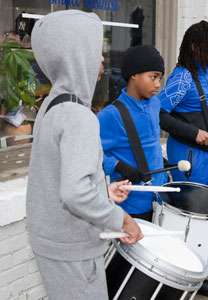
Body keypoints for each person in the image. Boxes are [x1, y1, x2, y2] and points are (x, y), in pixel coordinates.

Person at [26, 10, 142, 300]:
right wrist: (123, 220)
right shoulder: (78, 116)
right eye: (96, 50)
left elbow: (58, 178)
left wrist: (102, 191)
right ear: (75, 55)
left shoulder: (52, 106)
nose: (102, 58)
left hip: (53, 243)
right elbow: (75, 194)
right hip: (72, 248)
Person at [158, 20, 208, 299]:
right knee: (190, 216)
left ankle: (196, 272)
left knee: (203, 216)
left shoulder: (206, 74)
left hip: (204, 153)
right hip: (187, 154)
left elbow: (200, 108)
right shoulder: (182, 76)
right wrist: (194, 132)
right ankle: (187, 275)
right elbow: (160, 113)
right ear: (194, 46)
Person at [98, 45, 166, 222]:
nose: (158, 84)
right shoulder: (110, 115)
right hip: (130, 205)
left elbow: (149, 142)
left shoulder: (154, 104)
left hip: (159, 198)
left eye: (159, 78)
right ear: (134, 75)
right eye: (153, 77)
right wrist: (118, 165)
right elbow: (89, 154)